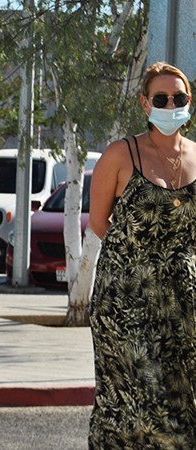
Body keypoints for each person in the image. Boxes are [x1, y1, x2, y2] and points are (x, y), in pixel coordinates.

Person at [88, 61, 196, 448]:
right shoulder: (121, 154)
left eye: (179, 97)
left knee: (183, 399)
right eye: (162, 98)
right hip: (124, 302)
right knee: (133, 405)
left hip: (183, 303)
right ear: (145, 104)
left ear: (190, 102)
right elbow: (99, 222)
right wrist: (143, 258)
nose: (171, 104)